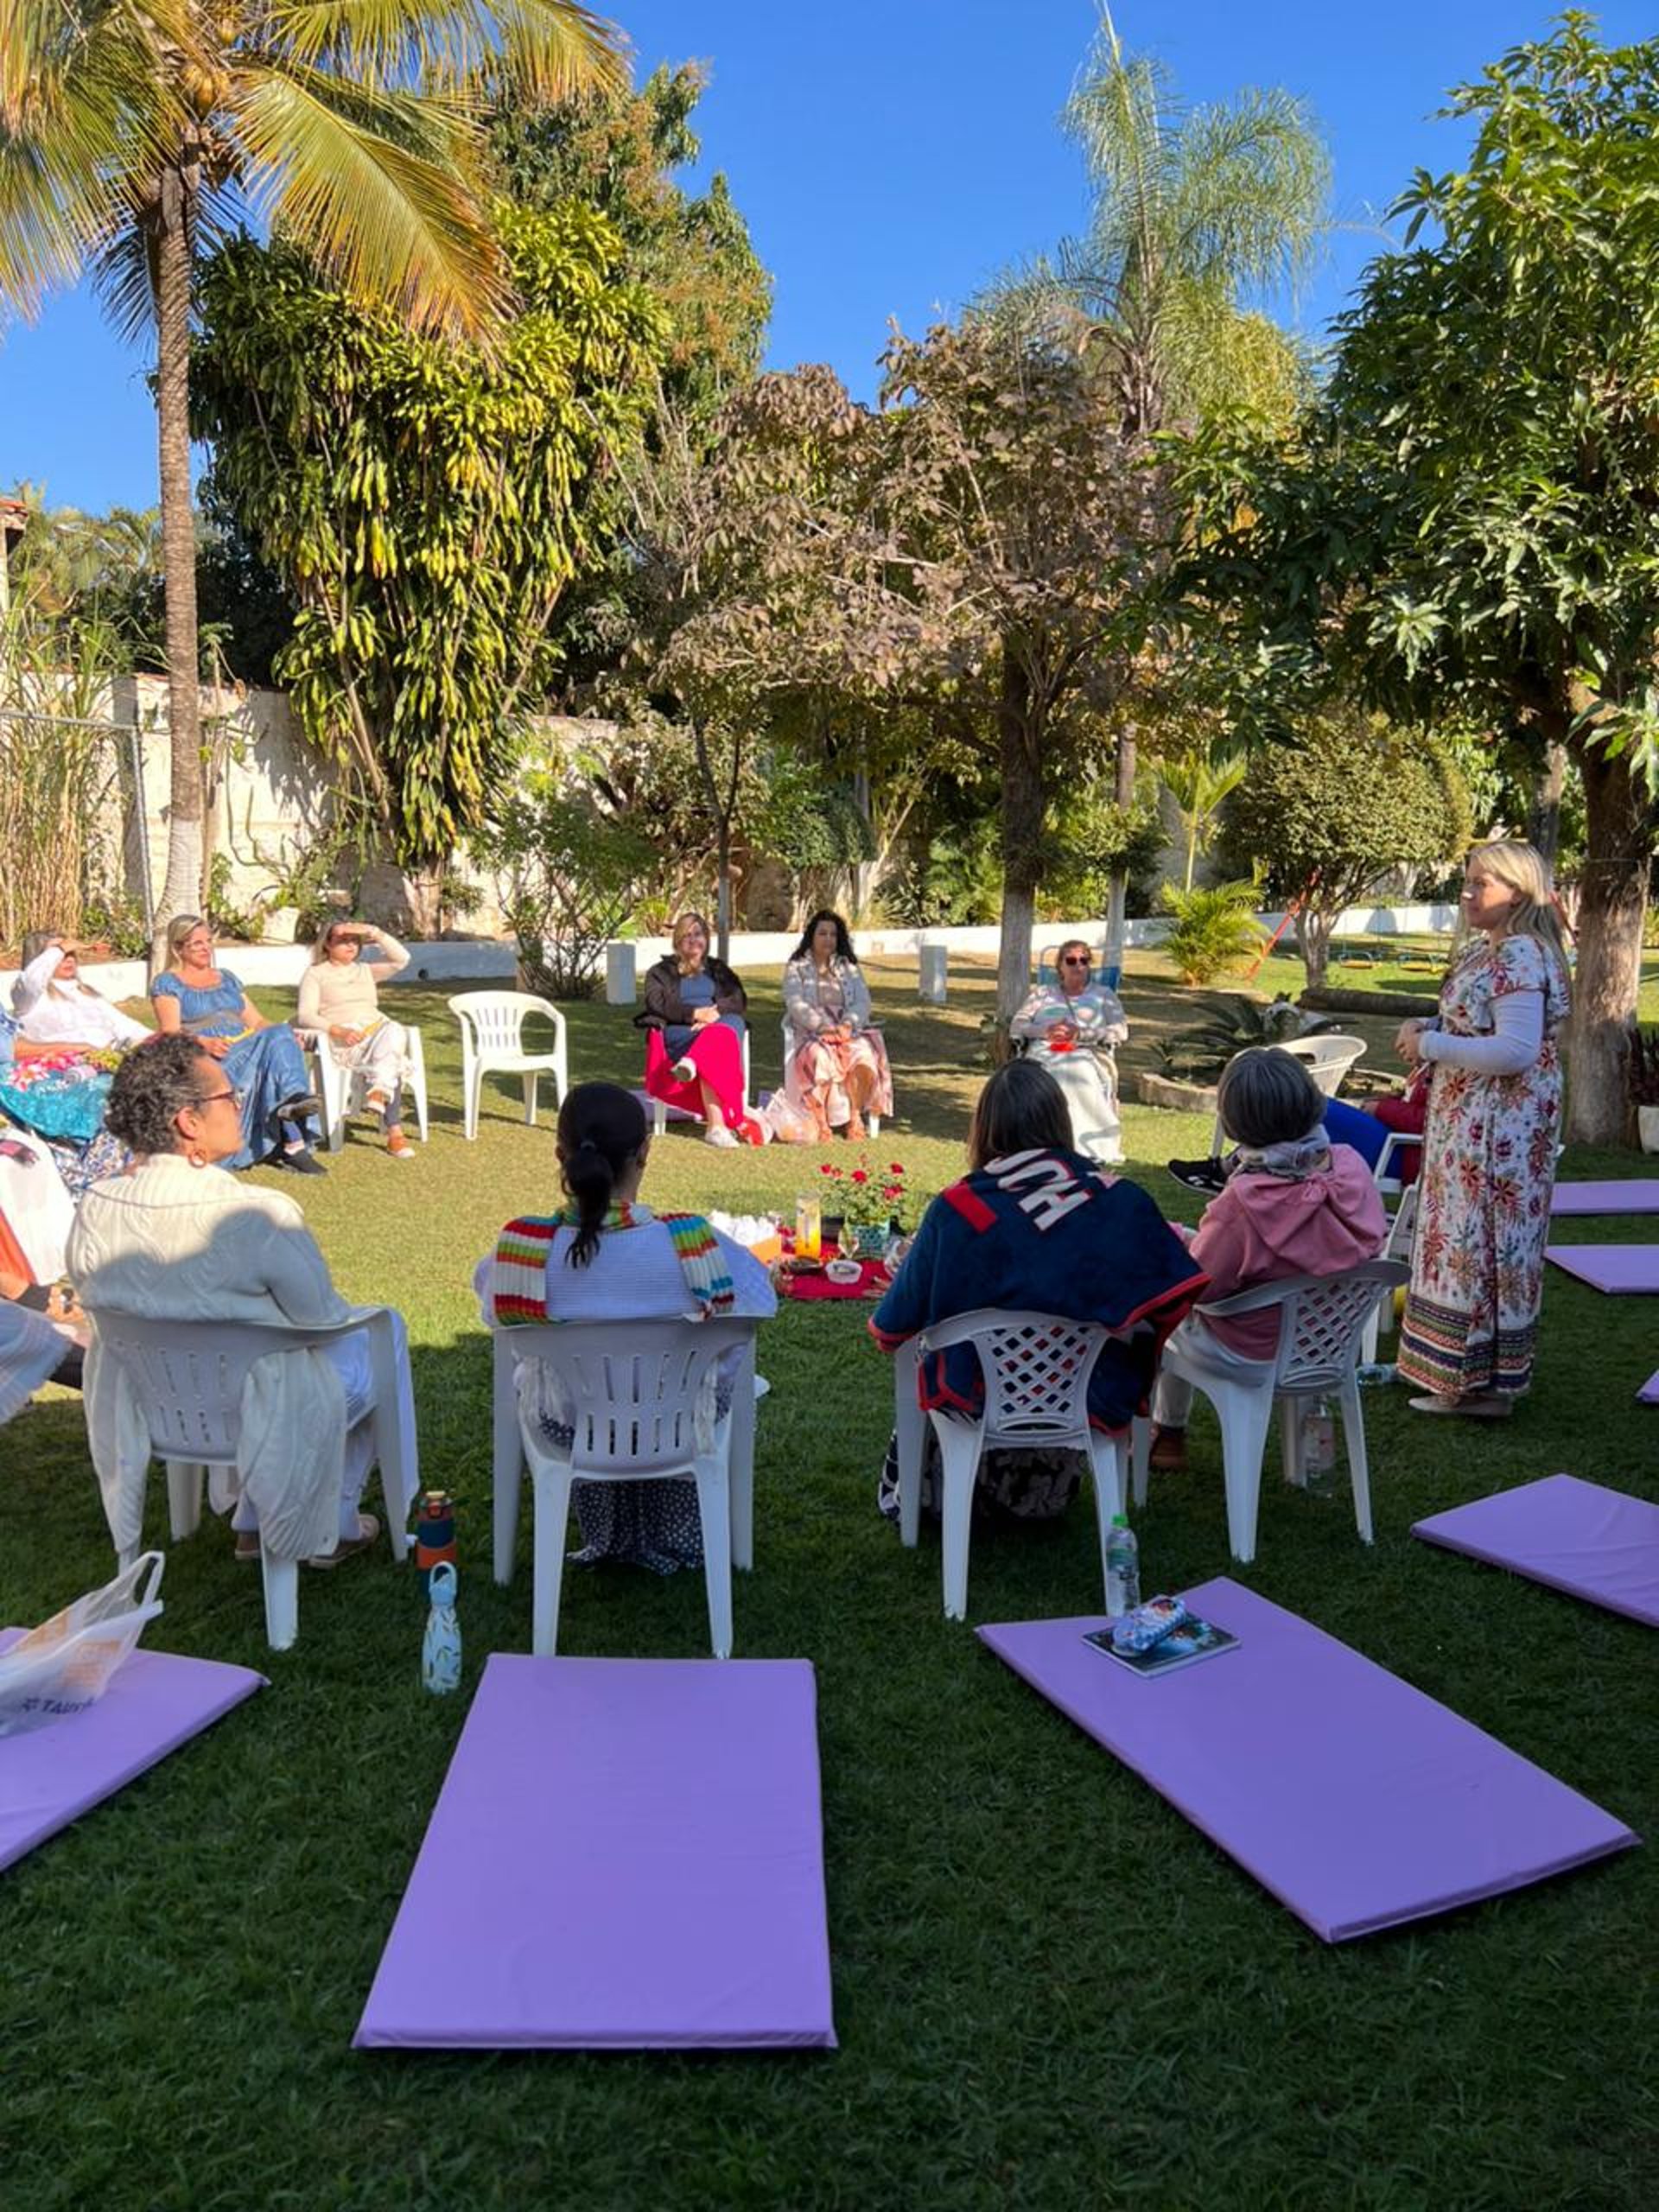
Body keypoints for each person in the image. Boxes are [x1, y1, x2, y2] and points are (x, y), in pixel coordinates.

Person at [67, 1033, 416, 1567]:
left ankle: (254, 1515)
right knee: (381, 1330)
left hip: (151, 1401)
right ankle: (337, 1521)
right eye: (229, 1098)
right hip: (247, 1404)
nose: (240, 1105)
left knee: (274, 1356)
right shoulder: (257, 1211)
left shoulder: (96, 1204)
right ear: (189, 1122)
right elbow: (322, 1317)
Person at [869, 1059, 1205, 1524]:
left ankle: (932, 1493)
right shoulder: (1121, 1202)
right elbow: (1169, 1294)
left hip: (981, 1398)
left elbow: (891, 1327)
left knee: (931, 1349)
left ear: (984, 1128)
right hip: (1090, 1393)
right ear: (1059, 1122)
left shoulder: (958, 1211)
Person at [474, 1080, 776, 1573]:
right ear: (646, 1153)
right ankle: (680, 1527)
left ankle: (611, 1528)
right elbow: (759, 1298)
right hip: (675, 1423)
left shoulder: (521, 1249)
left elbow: (489, 1302)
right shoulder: (693, 1245)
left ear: (560, 1154)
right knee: (736, 1382)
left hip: (569, 1426)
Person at [1395, 839, 1572, 1417]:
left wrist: (1431, 1044)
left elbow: (1516, 1049)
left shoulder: (1519, 954)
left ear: (1517, 892)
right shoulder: (1490, 950)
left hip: (1498, 1133)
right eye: (1467, 881)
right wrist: (1429, 1023)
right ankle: (1470, 1380)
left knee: (1484, 1244)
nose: (1468, 892)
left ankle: (1476, 1384)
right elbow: (1475, 1019)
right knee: (1476, 1244)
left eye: (1482, 884)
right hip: (1474, 1126)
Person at [1147, 1046, 1388, 1470]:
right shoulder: (1351, 1167)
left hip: (1252, 1351)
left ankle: (1168, 1434)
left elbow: (1200, 1287)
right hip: (1329, 1340)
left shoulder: (1244, 1202)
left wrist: (1172, 1242)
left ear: (1237, 1120)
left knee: (1163, 1316)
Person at [149, 914, 324, 1173]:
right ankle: (294, 1134)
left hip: (248, 1045)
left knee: (280, 1032)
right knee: (277, 1038)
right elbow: (170, 1033)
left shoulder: (226, 978)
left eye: (208, 941)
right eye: (196, 943)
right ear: (178, 948)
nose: (205, 948)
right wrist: (203, 1042)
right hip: (215, 1058)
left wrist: (288, 1037)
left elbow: (258, 1022)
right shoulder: (168, 984)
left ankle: (293, 1115)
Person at [296, 919, 416, 1160]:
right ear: (327, 945)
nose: (350, 945)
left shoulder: (365, 971)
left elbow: (402, 959)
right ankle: (394, 1131)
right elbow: (305, 1015)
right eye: (342, 940)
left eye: (354, 940)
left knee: (393, 1031)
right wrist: (338, 1030)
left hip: (377, 1034)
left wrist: (374, 932)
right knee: (392, 1048)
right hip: (346, 1040)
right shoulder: (316, 974)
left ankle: (380, 1092)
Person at [639, 912, 757, 1148]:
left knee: (730, 1024)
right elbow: (657, 1003)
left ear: (707, 938)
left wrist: (714, 1013)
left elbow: (738, 999)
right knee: (720, 1039)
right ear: (677, 941)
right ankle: (716, 1126)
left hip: (716, 1029)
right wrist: (695, 1014)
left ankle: (694, 1065)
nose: (694, 940)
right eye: (687, 935)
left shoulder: (718, 969)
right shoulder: (661, 972)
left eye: (699, 933)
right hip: (681, 1032)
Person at [1009, 940, 1128, 1165]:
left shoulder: (1104, 995)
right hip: (1045, 1048)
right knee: (1045, 1073)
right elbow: (1018, 1025)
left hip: (1084, 1050)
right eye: (1071, 961)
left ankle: (1086, 1143)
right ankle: (1041, 1140)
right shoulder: (1043, 994)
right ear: (1060, 967)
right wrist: (1046, 1030)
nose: (1078, 966)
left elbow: (1121, 1030)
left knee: (1079, 1071)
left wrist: (1082, 1033)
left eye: (1084, 960)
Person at [782, 910, 894, 1141]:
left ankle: (854, 1116)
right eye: (822, 933)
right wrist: (822, 1026)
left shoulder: (848, 966)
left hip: (847, 1028)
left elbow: (863, 1001)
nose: (828, 939)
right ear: (811, 936)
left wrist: (847, 1024)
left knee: (863, 1054)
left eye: (833, 934)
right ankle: (820, 1118)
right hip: (812, 1030)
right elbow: (795, 1003)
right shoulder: (797, 967)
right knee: (820, 1056)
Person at [11, 931, 151, 1052]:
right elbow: (31, 979)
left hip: (104, 1060)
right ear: (39, 959)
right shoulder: (28, 996)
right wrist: (60, 949)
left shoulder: (87, 993)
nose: (69, 959)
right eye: (61, 955)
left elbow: (126, 1027)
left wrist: (160, 1039)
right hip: (59, 1067)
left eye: (71, 953)